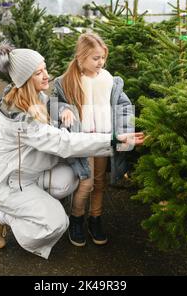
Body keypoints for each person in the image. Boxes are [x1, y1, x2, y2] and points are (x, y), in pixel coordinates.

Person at [0, 42, 144, 259]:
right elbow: (65, 142)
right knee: (56, 224)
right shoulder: (21, 119)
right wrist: (113, 140)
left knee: (69, 178)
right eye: (39, 72)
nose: (47, 76)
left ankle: (29, 208)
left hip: (30, 175)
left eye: (45, 68)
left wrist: (64, 109)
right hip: (7, 183)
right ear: (25, 79)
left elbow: (56, 105)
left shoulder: (38, 97)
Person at [53, 32, 135, 247]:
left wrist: (125, 132)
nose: (101, 62)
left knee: (100, 182)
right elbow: (53, 103)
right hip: (82, 139)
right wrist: (64, 110)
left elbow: (125, 106)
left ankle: (95, 219)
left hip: (105, 138)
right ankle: (77, 218)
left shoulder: (109, 80)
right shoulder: (67, 81)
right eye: (95, 58)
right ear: (81, 58)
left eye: (103, 57)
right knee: (86, 182)